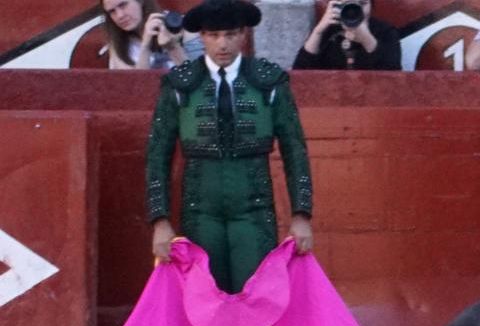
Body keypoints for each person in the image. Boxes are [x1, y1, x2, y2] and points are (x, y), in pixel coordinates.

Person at [146, 0, 313, 294]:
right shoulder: (179, 84)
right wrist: (160, 220)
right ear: (201, 37)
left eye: (231, 34)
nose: (222, 43)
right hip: (199, 211)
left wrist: (302, 215)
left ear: (244, 35)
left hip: (255, 209)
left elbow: (294, 149)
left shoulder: (270, 81)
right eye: (213, 35)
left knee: (256, 294)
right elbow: (158, 154)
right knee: (206, 297)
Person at [294, 0, 403, 71]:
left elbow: (393, 76)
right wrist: (318, 31)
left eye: (362, 3)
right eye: (347, 4)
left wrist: (367, 40)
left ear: (371, 6)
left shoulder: (385, 31)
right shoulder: (328, 31)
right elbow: (300, 73)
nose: (355, 10)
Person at [102, 0, 192, 71]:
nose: (119, 15)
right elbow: (135, 87)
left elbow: (198, 83)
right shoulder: (118, 47)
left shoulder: (179, 26)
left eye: (123, 5)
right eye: (112, 11)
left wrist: (173, 48)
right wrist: (145, 47)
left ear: (140, 1)